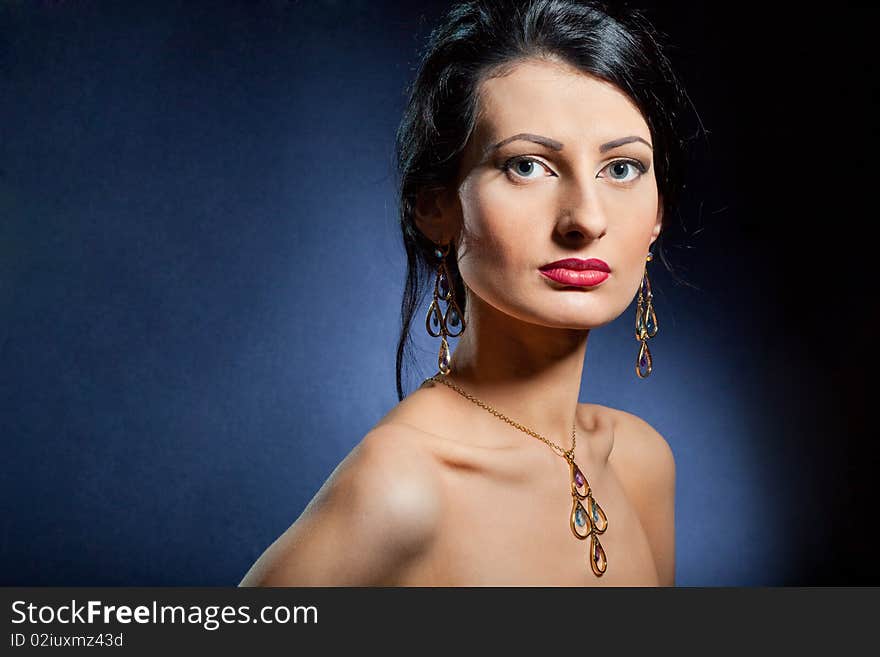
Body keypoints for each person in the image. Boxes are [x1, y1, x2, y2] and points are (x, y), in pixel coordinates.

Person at [240, 0, 696, 587]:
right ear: (437, 207)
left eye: (623, 168)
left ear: (657, 213)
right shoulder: (403, 485)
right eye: (527, 166)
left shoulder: (640, 461)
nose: (585, 217)